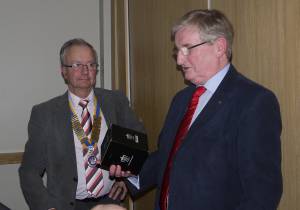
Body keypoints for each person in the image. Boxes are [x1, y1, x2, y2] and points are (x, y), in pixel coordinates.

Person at [110, 9, 282, 210]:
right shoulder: (182, 99)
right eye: (177, 51)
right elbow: (168, 155)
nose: (179, 60)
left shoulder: (254, 102)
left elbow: (262, 194)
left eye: (187, 49)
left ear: (219, 47)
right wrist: (132, 172)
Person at [19, 38, 144, 210]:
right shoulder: (44, 113)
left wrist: (126, 179)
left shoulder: (116, 101)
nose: (86, 71)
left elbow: (137, 144)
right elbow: (29, 171)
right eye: (77, 65)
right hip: (65, 205)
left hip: (110, 202)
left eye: (91, 64)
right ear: (63, 71)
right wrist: (46, 207)